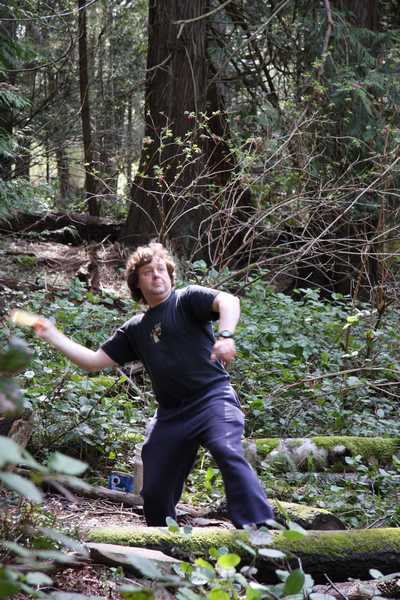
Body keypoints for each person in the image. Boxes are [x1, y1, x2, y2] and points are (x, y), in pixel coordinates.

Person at [34, 242, 274, 528]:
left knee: (227, 450)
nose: (156, 275)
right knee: (155, 487)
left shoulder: (186, 299)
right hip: (171, 415)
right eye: (148, 272)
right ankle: (161, 539)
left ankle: (259, 529)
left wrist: (225, 336)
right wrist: (52, 335)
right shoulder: (135, 329)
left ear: (170, 275)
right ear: (137, 282)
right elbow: (92, 361)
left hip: (213, 398)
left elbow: (229, 301)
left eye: (161, 269)